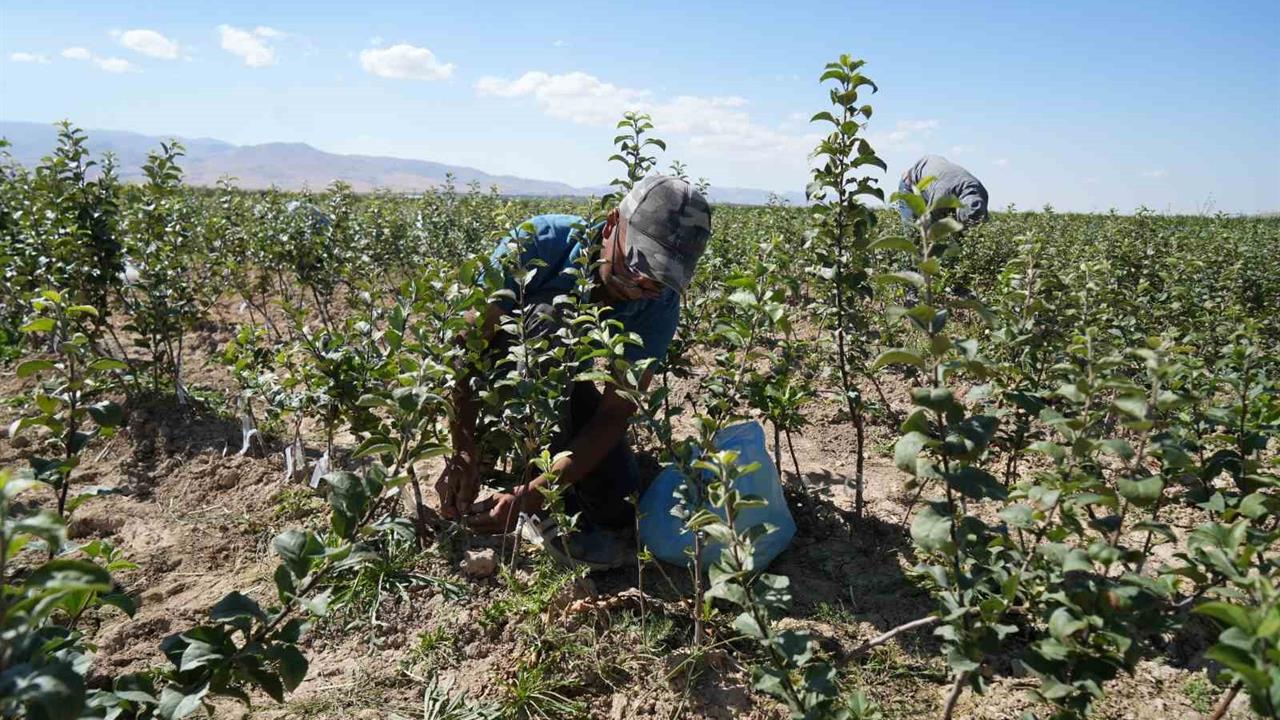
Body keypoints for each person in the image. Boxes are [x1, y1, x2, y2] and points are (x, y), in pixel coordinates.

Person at [435, 175, 712, 569]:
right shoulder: (541, 242)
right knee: (545, 320)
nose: (644, 284)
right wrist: (462, 448)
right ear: (613, 224)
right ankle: (511, 467)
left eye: (662, 279)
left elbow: (615, 413)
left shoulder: (659, 305)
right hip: (504, 382)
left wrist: (531, 495)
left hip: (564, 388)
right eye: (639, 263)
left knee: (620, 500)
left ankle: (534, 487)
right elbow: (466, 347)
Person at [897, 155, 989, 233]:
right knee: (912, 233)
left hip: (937, 176)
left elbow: (978, 225)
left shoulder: (982, 194)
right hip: (910, 184)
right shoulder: (941, 197)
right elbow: (932, 228)